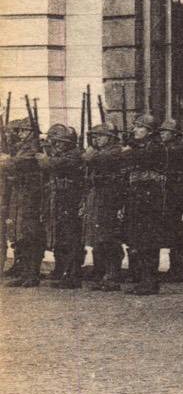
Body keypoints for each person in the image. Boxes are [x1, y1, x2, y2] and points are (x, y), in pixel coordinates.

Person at [121, 114, 168, 296]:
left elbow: (138, 157)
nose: (135, 130)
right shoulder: (142, 146)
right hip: (138, 196)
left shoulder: (155, 147)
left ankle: (149, 281)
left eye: (139, 127)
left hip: (150, 199)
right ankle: (143, 279)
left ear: (149, 131)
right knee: (138, 239)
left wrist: (129, 148)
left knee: (148, 240)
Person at [39, 124, 85, 290]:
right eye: (55, 142)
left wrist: (45, 157)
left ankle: (73, 273)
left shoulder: (75, 154)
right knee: (60, 235)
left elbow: (53, 165)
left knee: (70, 236)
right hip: (58, 199)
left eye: (60, 142)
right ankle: (61, 269)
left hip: (72, 199)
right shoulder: (61, 153)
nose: (57, 145)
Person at [81, 122, 126, 291]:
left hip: (111, 198)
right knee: (98, 237)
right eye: (95, 136)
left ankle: (112, 275)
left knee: (109, 237)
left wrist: (90, 153)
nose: (96, 139)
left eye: (100, 136)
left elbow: (92, 159)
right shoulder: (102, 152)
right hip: (98, 196)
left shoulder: (115, 151)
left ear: (109, 138)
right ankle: (102, 273)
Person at [2, 117, 45, 288]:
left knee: (30, 233)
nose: (19, 134)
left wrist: (6, 161)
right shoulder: (21, 148)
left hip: (31, 195)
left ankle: (32, 274)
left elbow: (19, 163)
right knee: (20, 233)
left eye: (22, 131)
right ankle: (24, 272)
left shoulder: (33, 148)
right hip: (20, 194)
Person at [156, 118, 183, 280]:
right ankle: (176, 269)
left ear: (174, 134)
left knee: (180, 234)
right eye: (161, 132)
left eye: (165, 132)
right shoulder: (167, 147)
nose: (162, 134)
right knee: (173, 232)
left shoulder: (180, 148)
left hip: (179, 193)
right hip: (169, 192)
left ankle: (179, 270)